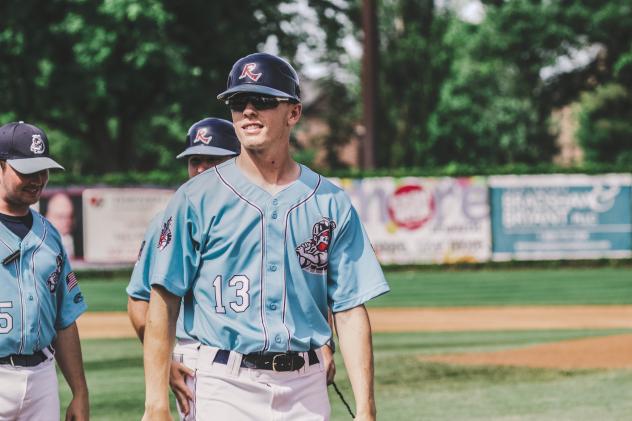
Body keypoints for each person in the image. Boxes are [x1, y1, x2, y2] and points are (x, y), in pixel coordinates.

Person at [142, 53, 389, 421]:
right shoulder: (195, 199)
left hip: (307, 386)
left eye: (263, 101)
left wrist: (366, 407)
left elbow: (350, 310)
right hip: (225, 383)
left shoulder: (330, 202)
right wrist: (155, 401)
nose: (248, 111)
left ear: (294, 113)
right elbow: (163, 301)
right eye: (238, 102)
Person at [126, 117, 241, 418]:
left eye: (213, 160)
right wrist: (164, 363)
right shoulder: (169, 220)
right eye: (195, 160)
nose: (201, 169)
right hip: (200, 357)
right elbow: (139, 300)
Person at [0, 121, 89, 421]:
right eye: (26, 170)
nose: (37, 179)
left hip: (42, 378)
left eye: (43, 169)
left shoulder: (50, 236)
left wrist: (79, 393)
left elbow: (64, 321)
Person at [45, 192, 76, 258]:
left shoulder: (71, 240)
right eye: (60, 217)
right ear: (47, 217)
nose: (67, 222)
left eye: (70, 216)